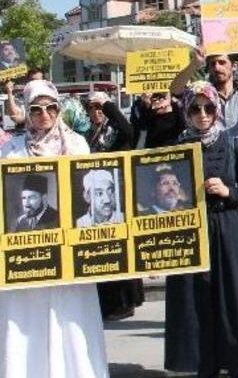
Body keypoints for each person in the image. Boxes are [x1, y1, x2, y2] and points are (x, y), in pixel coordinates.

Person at [0, 79, 108, 377]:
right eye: (36, 109)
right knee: (25, 322)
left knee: (70, 317)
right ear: (27, 111)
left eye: (50, 108)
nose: (44, 115)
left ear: (58, 109)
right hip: (26, 261)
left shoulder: (77, 144)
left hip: (70, 258)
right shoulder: (12, 150)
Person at [171, 43, 238, 328]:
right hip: (210, 175)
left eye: (222, 62)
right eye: (212, 64)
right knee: (222, 247)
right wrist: (194, 64)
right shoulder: (201, 94)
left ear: (233, 66)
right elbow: (175, 90)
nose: (216, 68)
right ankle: (229, 305)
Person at [165, 80, 238, 378]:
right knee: (197, 311)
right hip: (191, 237)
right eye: (195, 108)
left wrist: (227, 191)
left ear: (217, 109)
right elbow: (159, 200)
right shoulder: (176, 149)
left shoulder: (232, 144)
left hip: (227, 234)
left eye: (209, 108)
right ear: (186, 111)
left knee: (234, 307)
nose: (202, 114)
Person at [83, 90, 143, 321]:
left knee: (121, 248)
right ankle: (110, 302)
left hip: (117, 194)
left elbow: (130, 132)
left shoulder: (115, 130)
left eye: (100, 108)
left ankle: (126, 301)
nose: (96, 112)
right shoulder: (89, 134)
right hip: (97, 200)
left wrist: (108, 105)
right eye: (92, 108)